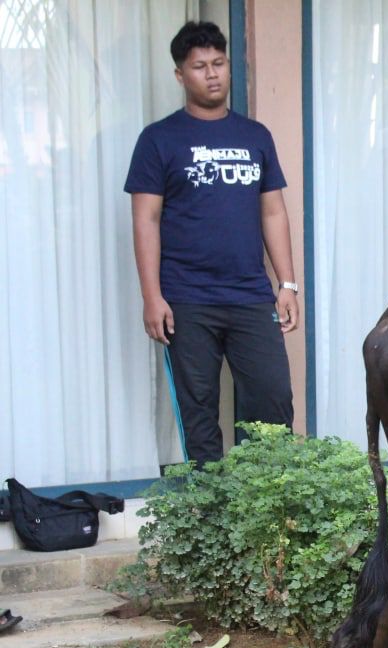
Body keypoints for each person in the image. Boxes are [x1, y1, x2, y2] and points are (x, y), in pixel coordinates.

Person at [126, 21, 297, 466]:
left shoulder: (254, 136)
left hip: (249, 294)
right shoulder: (159, 139)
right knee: (199, 412)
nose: (212, 73)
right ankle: (210, 519)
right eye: (199, 66)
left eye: (218, 63)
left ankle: (266, 516)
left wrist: (288, 285)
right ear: (181, 75)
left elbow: (273, 212)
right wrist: (152, 297)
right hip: (186, 299)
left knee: (273, 405)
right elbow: (146, 219)